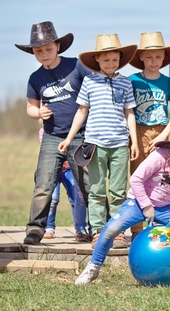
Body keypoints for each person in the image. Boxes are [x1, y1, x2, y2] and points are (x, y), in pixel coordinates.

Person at [74, 118, 170, 287]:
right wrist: (146, 205)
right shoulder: (160, 156)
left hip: (166, 208)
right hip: (138, 203)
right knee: (111, 229)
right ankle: (93, 268)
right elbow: (136, 179)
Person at [58, 34, 139, 249]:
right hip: (94, 144)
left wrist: (135, 141)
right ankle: (98, 230)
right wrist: (68, 139)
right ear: (97, 61)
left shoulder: (125, 82)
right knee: (96, 189)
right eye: (106, 60)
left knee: (119, 191)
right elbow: (82, 111)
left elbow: (129, 113)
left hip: (120, 143)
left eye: (114, 59)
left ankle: (119, 231)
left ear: (120, 59)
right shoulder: (89, 81)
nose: (110, 64)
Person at [15, 21, 91, 245]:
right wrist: (37, 112)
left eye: (48, 48)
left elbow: (95, 90)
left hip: (81, 135)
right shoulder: (35, 78)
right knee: (43, 183)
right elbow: (30, 107)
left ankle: (99, 226)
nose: (44, 54)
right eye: (39, 51)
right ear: (33, 53)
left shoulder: (77, 66)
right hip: (51, 137)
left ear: (58, 46)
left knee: (87, 184)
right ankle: (35, 230)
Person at [127, 31, 170, 241]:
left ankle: (158, 224)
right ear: (140, 57)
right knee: (138, 178)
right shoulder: (132, 80)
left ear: (164, 58)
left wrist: (164, 136)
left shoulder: (168, 82)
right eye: (149, 57)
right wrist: (133, 138)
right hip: (138, 132)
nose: (154, 61)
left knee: (160, 179)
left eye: (158, 57)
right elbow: (127, 109)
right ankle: (136, 229)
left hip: (162, 131)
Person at [37, 126, 90, 241]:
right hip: (54, 170)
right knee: (53, 198)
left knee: (78, 199)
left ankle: (80, 229)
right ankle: (49, 227)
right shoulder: (45, 132)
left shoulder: (79, 132)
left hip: (70, 169)